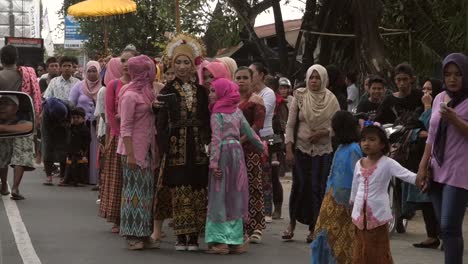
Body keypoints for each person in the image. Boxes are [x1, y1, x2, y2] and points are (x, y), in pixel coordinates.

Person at [157, 34, 210, 251]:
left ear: (193, 65)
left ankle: (194, 237)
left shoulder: (202, 92)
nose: (181, 67)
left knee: (198, 188)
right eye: (177, 62)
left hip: (198, 146)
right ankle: (180, 236)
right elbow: (160, 123)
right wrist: (164, 147)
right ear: (172, 64)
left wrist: (208, 142)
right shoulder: (166, 90)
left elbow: (207, 118)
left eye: (186, 62)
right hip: (176, 146)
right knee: (179, 189)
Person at [416, 53, 468, 264]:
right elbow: (432, 135)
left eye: (458, 74)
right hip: (436, 169)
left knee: (449, 226)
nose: (452, 79)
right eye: (448, 74)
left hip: (459, 171)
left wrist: (454, 119)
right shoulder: (439, 98)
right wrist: (422, 166)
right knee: (446, 229)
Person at [205, 78, 264, 254]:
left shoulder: (217, 113)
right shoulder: (237, 112)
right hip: (237, 155)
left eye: (213, 91)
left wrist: (214, 163)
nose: (210, 94)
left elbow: (215, 139)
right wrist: (263, 148)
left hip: (223, 154)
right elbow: (250, 133)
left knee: (219, 195)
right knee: (235, 195)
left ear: (223, 92)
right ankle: (236, 240)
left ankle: (220, 241)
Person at [283, 64, 340, 242]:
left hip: (323, 151)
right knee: (299, 186)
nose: (314, 81)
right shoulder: (300, 96)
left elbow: (337, 127)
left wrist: (323, 133)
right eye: (311, 77)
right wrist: (289, 149)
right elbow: (290, 125)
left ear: (324, 79)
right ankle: (291, 224)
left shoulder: (331, 100)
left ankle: (314, 227)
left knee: (318, 188)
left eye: (317, 77)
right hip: (301, 149)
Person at [351, 125, 417, 264]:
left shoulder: (387, 163)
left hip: (378, 216)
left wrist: (422, 179)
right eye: (363, 140)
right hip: (359, 216)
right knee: (359, 249)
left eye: (371, 139)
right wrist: (352, 202)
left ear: (382, 144)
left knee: (378, 252)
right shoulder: (359, 163)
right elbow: (355, 186)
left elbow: (407, 175)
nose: (366, 143)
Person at [117, 55, 158, 250]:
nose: (152, 73)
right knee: (132, 195)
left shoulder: (148, 93)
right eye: (148, 70)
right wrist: (131, 155)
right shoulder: (129, 95)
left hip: (147, 150)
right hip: (132, 151)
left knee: (146, 194)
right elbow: (125, 127)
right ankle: (132, 236)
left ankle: (144, 233)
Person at [311, 111, 362, 264]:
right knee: (323, 235)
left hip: (345, 204)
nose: (331, 130)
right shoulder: (341, 148)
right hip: (331, 199)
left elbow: (358, 178)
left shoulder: (354, 149)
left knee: (341, 241)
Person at [403, 78, 443, 249]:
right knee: (426, 199)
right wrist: (421, 132)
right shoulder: (419, 110)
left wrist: (428, 109)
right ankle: (431, 236)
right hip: (422, 159)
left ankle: (445, 235)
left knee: (439, 200)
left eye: (430, 90)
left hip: (442, 161)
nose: (426, 94)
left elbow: (434, 130)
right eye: (424, 89)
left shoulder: (444, 109)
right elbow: (410, 130)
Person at [99, 48, 135, 233]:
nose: (126, 64)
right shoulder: (113, 85)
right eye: (123, 60)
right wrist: (119, 134)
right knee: (117, 180)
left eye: (130, 60)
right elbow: (110, 114)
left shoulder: (144, 84)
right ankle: (117, 219)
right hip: (117, 136)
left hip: (138, 138)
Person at [235, 67, 266, 243]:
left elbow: (257, 125)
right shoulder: (231, 101)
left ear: (251, 79)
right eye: (238, 77)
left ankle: (257, 227)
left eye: (245, 77)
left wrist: (242, 140)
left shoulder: (257, 100)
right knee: (237, 188)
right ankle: (240, 224)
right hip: (233, 151)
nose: (241, 81)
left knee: (254, 185)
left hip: (252, 149)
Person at [249, 62, 276, 223]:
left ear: (260, 75)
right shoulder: (250, 93)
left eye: (252, 73)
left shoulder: (269, 93)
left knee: (265, 174)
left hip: (264, 136)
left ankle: (267, 211)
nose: (250, 77)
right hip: (251, 134)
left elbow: (260, 112)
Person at [68, 61, 102, 185]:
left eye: (94, 71)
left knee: (95, 151)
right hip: (81, 126)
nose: (92, 74)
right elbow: (71, 102)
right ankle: (80, 177)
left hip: (97, 125)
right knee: (81, 150)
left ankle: (94, 178)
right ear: (85, 72)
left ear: (99, 72)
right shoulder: (79, 86)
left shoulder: (103, 86)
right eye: (89, 71)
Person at [0, 95, 33, 197]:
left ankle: (15, 187)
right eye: (0, 103)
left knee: (23, 144)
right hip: (3, 151)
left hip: (17, 149)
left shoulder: (22, 119)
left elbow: (29, 126)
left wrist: (3, 128)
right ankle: (4, 184)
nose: (2, 107)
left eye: (7, 103)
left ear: (16, 108)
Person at [41, 98, 72, 186]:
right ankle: (48, 177)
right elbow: (45, 133)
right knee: (47, 150)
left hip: (63, 128)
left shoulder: (67, 106)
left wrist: (66, 123)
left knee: (63, 151)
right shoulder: (46, 112)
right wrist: (48, 142)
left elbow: (69, 122)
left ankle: (62, 177)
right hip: (49, 128)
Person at [62, 107, 90, 186]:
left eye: (78, 118)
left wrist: (84, 150)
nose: (76, 119)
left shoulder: (85, 129)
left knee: (80, 166)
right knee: (69, 165)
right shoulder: (71, 127)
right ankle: (68, 179)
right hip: (71, 150)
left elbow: (87, 141)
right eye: (74, 118)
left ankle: (80, 180)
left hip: (80, 150)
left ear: (83, 119)